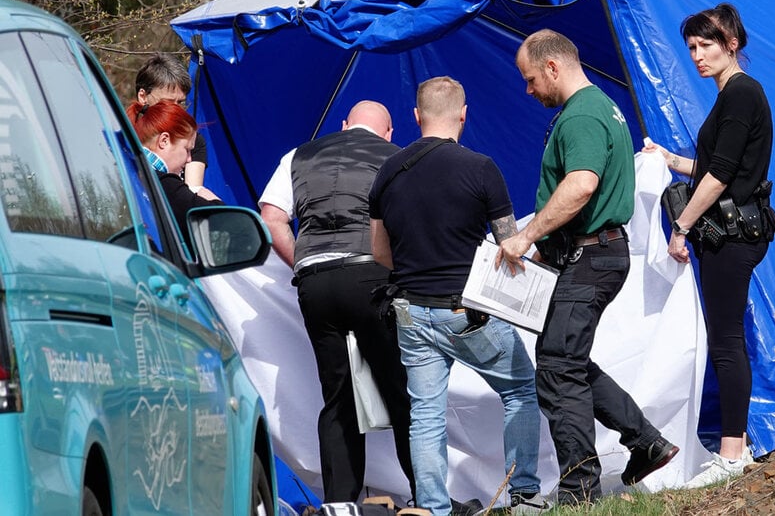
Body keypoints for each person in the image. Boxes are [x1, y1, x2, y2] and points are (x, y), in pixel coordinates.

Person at [496, 29, 679, 505]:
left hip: (592, 256)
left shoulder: (580, 115)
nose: (529, 90)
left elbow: (580, 186)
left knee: (558, 368)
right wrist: (543, 252)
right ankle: (646, 441)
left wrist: (525, 237)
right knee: (567, 361)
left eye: (531, 79)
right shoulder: (600, 107)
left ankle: (580, 491)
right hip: (590, 253)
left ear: (553, 67)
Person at [368, 77, 548, 516]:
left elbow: (377, 251)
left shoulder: (388, 171)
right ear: (463, 114)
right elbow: (509, 245)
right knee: (521, 390)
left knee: (426, 416)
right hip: (467, 311)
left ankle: (432, 508)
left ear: (416, 116)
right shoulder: (481, 167)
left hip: (409, 310)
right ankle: (523, 496)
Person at [257, 100, 416, 504]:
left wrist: (302, 263)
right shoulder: (397, 158)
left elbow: (271, 217)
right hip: (370, 276)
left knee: (338, 395)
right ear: (388, 133)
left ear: (345, 125)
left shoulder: (298, 155)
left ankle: (340, 504)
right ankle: (426, 497)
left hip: (315, 282)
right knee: (399, 391)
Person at [642, 3, 773, 487]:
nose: (697, 55)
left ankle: (732, 455)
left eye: (707, 45)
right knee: (725, 339)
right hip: (731, 233)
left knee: (725, 342)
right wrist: (668, 158)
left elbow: (719, 176)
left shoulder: (740, 94)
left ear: (731, 44)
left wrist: (681, 227)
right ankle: (734, 451)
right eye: (692, 47)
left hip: (732, 236)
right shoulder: (730, 95)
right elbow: (715, 166)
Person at [126, 99, 222, 237]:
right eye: (187, 149)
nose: (189, 159)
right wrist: (204, 193)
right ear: (164, 141)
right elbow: (221, 218)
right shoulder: (164, 183)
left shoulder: (128, 170)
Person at [135, 53, 207, 189]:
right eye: (167, 102)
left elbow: (192, 194)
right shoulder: (126, 139)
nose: (175, 109)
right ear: (143, 96)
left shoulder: (193, 141)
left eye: (180, 102)